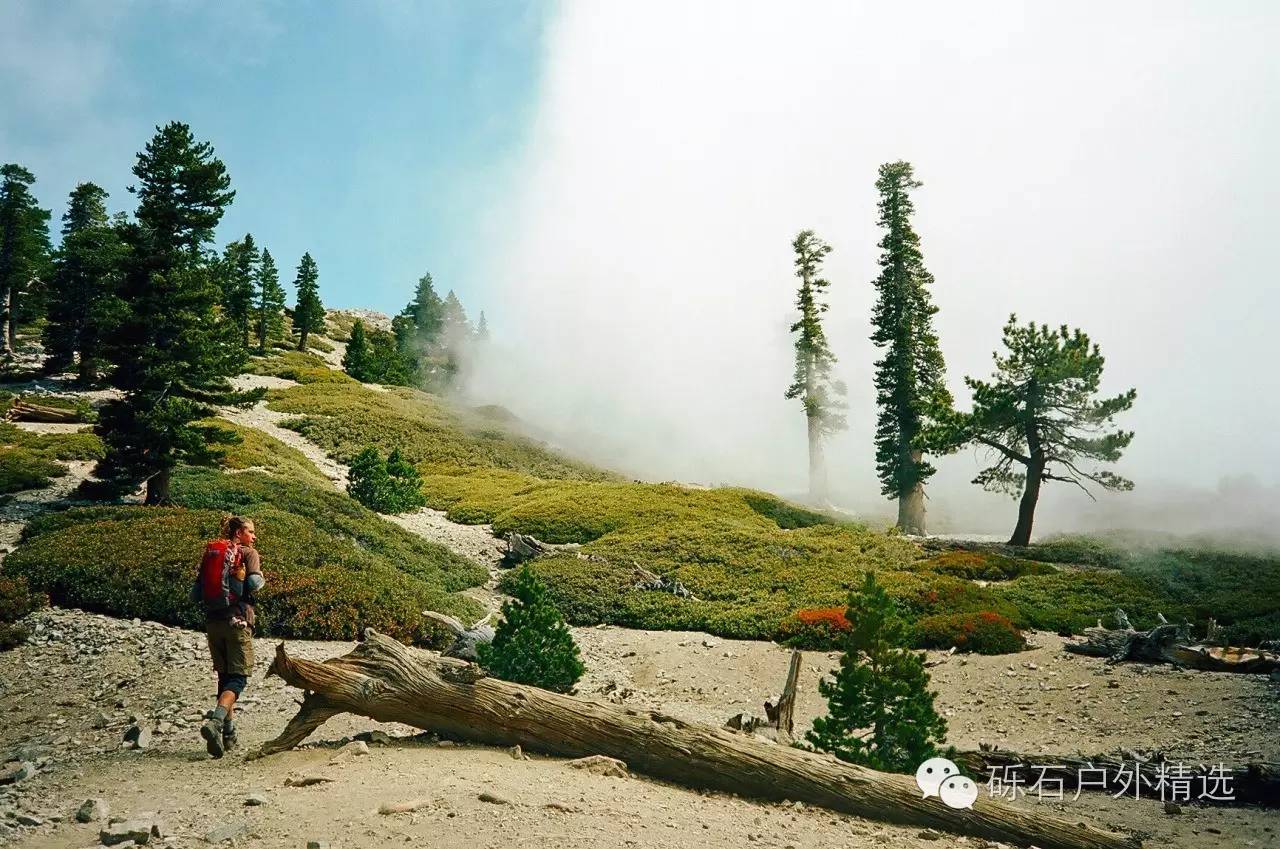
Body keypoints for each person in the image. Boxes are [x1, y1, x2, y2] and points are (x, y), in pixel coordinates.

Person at [194, 516, 264, 758]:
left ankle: (228, 734)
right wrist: (258, 580)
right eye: (251, 532)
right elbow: (254, 584)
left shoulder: (213, 553)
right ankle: (216, 722)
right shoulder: (248, 553)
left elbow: (196, 593)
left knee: (224, 679)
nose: (254, 537)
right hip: (238, 622)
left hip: (213, 623)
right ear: (238, 533)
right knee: (237, 679)